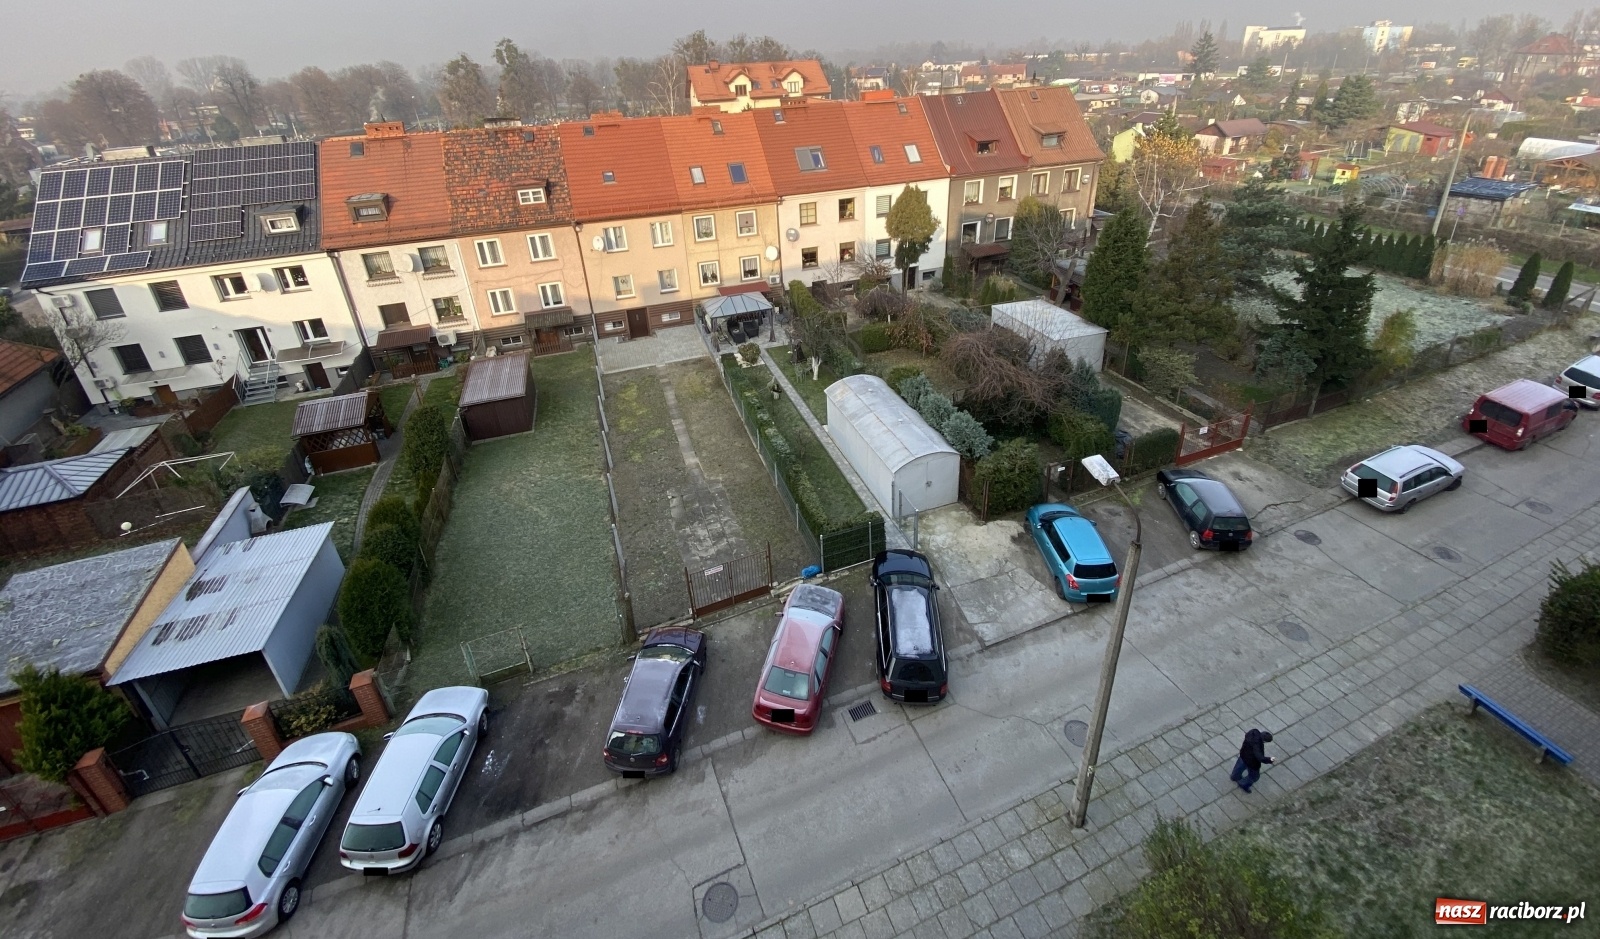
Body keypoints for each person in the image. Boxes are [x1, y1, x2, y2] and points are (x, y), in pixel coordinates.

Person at [1230, 729, 1275, 793]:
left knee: (1239, 767)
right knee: (1254, 776)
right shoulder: (1257, 746)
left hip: (1243, 755)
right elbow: (1260, 757)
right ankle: (1243, 783)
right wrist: (1270, 759)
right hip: (1252, 762)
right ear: (1264, 741)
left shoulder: (1252, 733)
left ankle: (1234, 777)